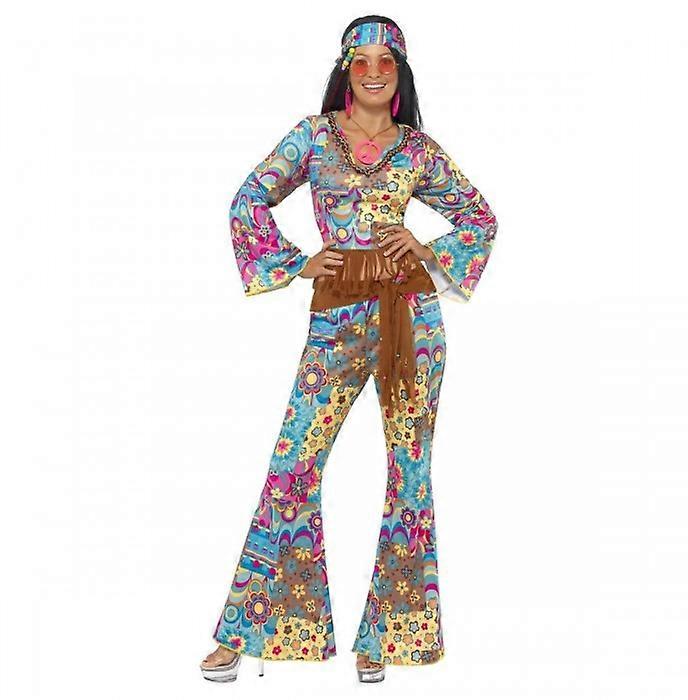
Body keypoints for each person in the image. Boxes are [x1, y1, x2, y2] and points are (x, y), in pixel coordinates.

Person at [200, 14, 498, 684]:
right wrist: (294, 263)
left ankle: (388, 637)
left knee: (409, 472)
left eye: (385, 61)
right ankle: (249, 632)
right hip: (336, 316)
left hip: (411, 321)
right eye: (360, 61)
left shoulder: (417, 149)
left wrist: (426, 248)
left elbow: (480, 217)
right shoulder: (312, 135)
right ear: (345, 71)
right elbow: (248, 201)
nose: (372, 72)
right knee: (292, 466)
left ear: (400, 73)